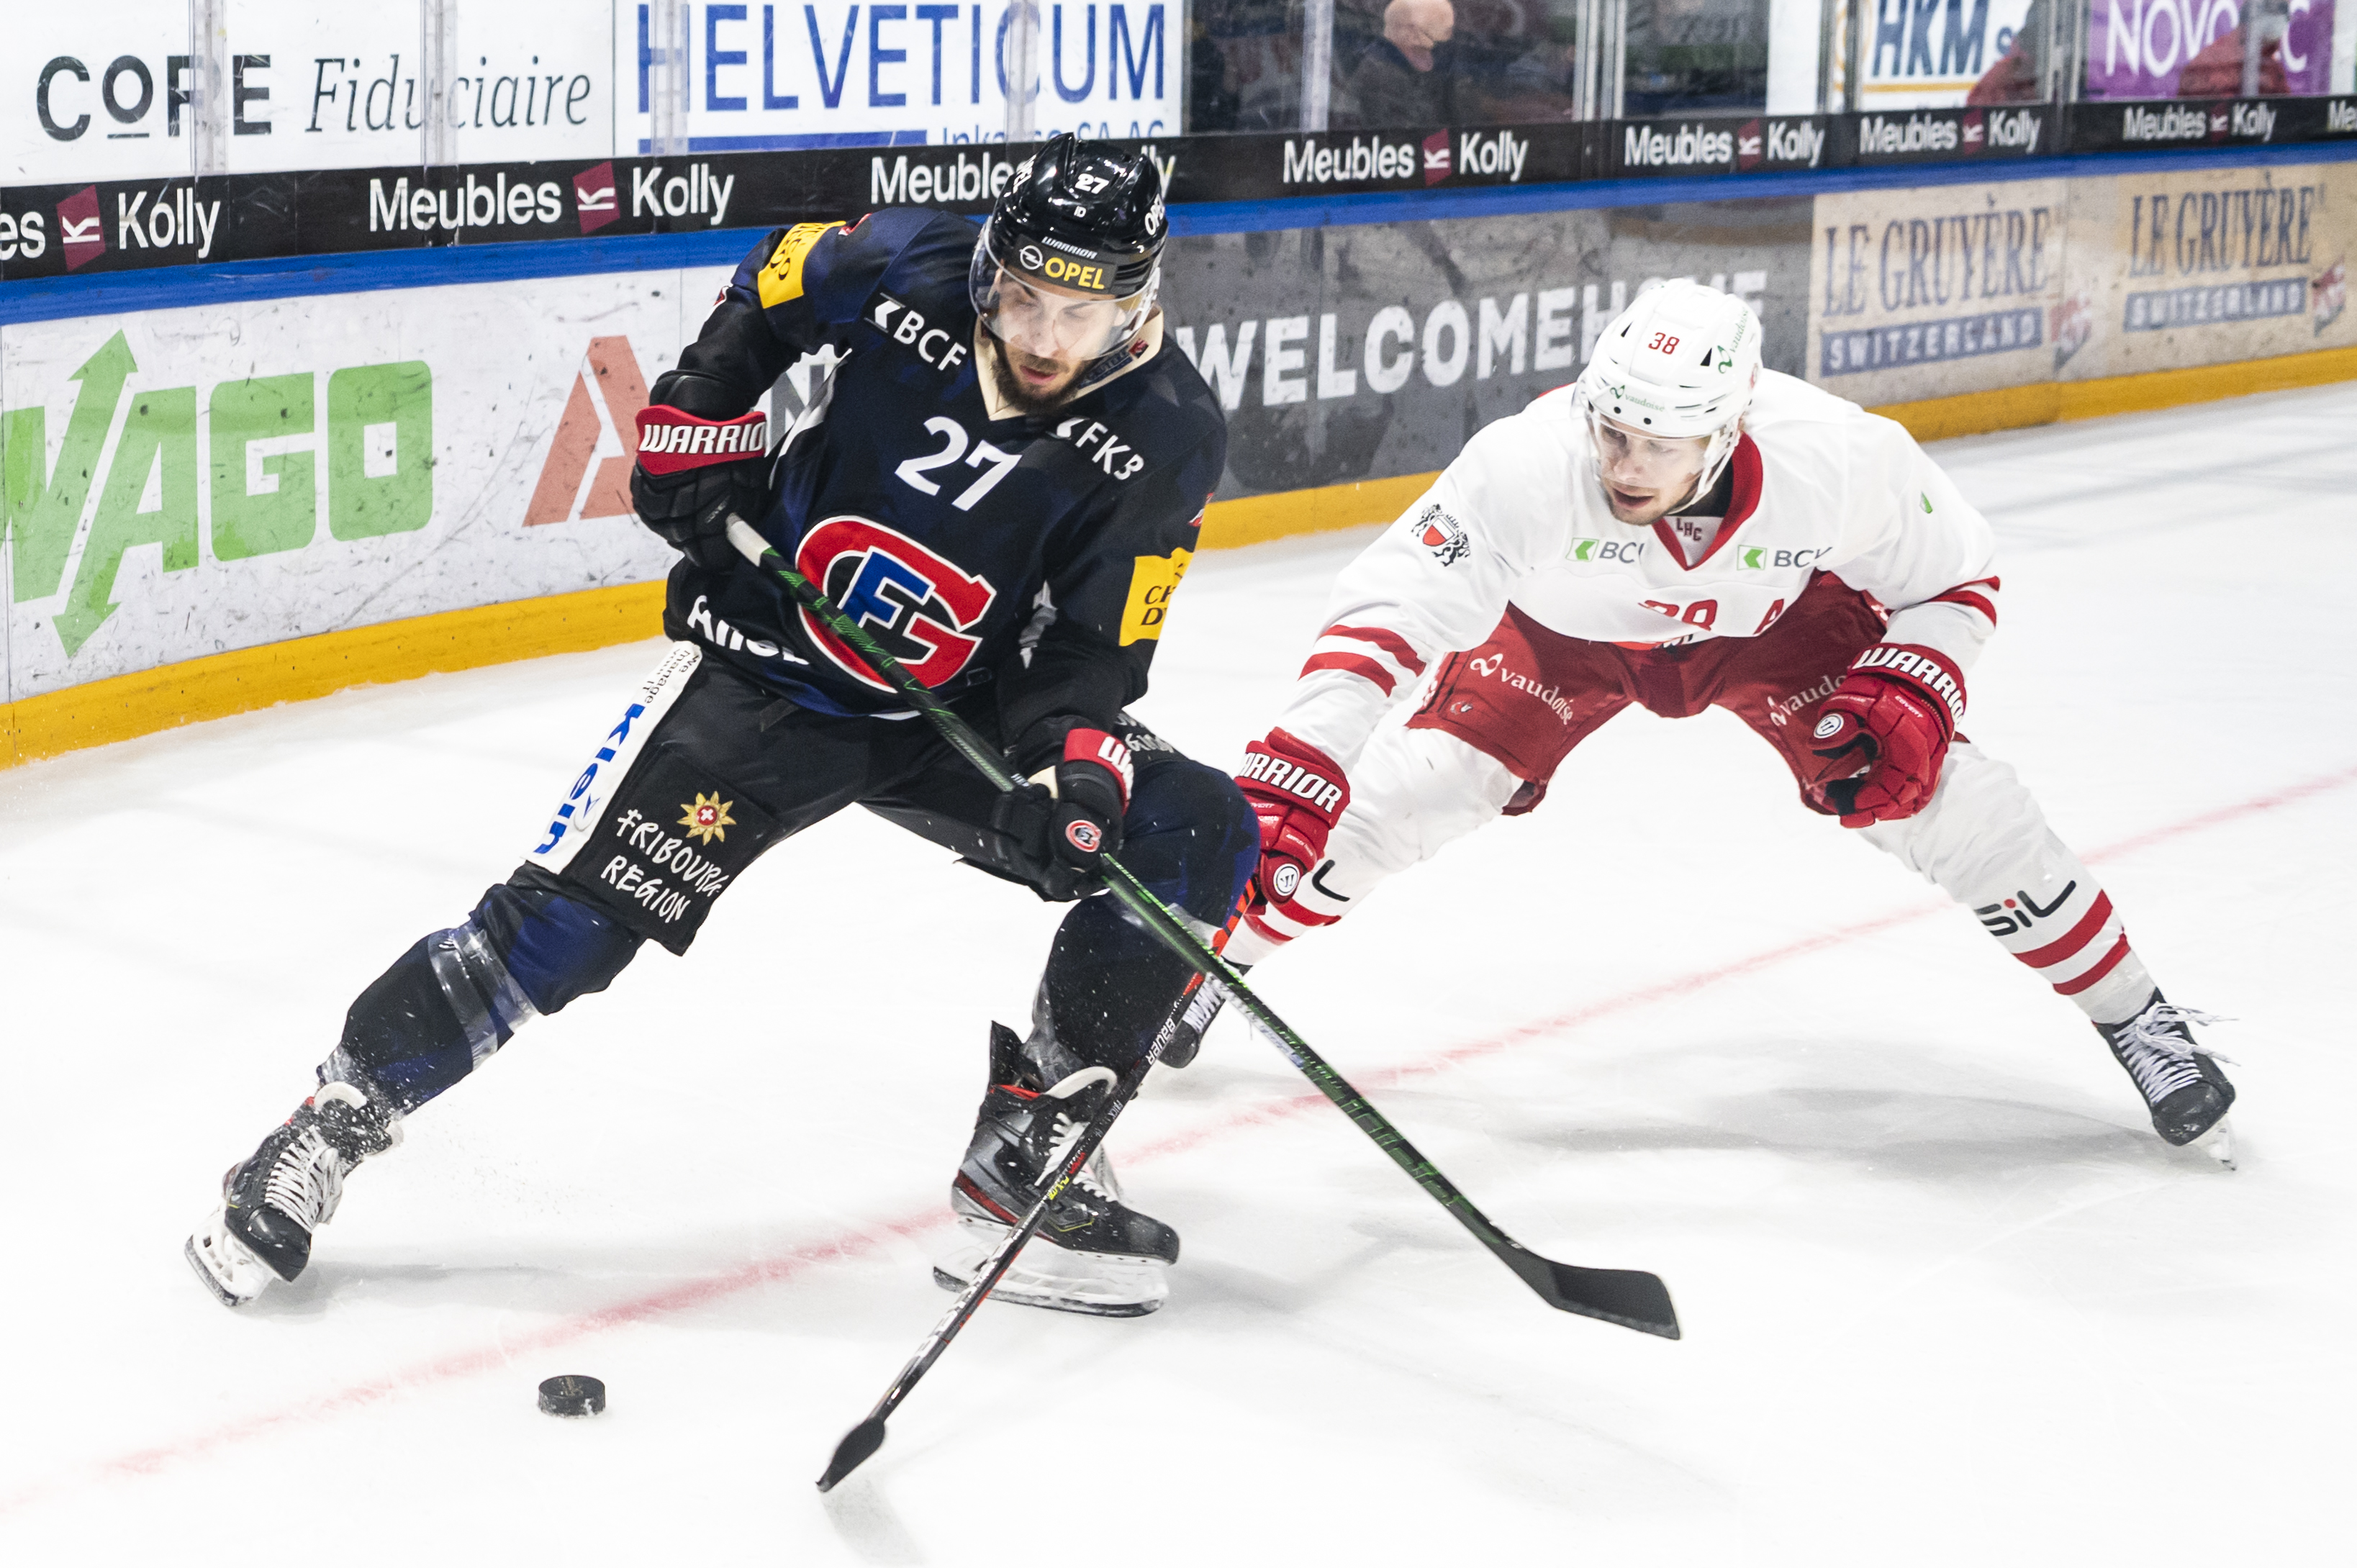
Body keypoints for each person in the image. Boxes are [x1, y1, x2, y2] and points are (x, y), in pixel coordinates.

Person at [186, 135, 1257, 1320]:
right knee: (564, 933)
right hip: (767, 674)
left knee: (1192, 826)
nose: (1043, 336)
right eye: (1022, 297)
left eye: (1080, 313)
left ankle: (1029, 1156)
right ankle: (330, 1120)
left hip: (953, 707)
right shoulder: (906, 260)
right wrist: (698, 411)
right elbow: (775, 284)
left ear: (1137, 302)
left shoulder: (1169, 429)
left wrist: (1073, 767)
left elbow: (1091, 648)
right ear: (991, 265)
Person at [1229, 280, 2235, 1160]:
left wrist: (1916, 684)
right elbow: (1388, 610)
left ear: (1727, 427)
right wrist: (1301, 759)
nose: (1625, 466)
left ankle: (2136, 1017)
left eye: (1659, 445)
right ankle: (1212, 967)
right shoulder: (1525, 462)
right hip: (1560, 632)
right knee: (1415, 790)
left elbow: (1955, 579)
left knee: (1945, 801)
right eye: (1612, 432)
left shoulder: (1836, 456)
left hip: (1768, 627)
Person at [1334, 0, 1459, 127]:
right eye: (1435, 38)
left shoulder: (1430, 71)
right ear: (1412, 33)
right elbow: (1403, 133)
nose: (1437, 48)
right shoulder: (1380, 76)